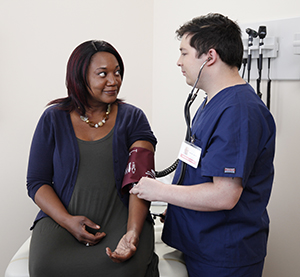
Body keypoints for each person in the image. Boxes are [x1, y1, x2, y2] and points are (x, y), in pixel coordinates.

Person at [131, 13, 276, 277]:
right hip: (202, 244)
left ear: (209, 56)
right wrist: (177, 208)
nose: (179, 61)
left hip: (225, 254)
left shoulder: (239, 111)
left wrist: (161, 191)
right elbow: (199, 168)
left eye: (184, 53)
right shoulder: (212, 101)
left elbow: (224, 195)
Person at [26, 40, 159, 277]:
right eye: (102, 74)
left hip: (122, 221)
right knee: (45, 268)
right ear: (80, 78)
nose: (113, 80)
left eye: (117, 72)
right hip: (63, 222)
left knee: (124, 269)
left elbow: (141, 183)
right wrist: (67, 221)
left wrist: (132, 233)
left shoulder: (133, 118)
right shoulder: (53, 119)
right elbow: (37, 182)